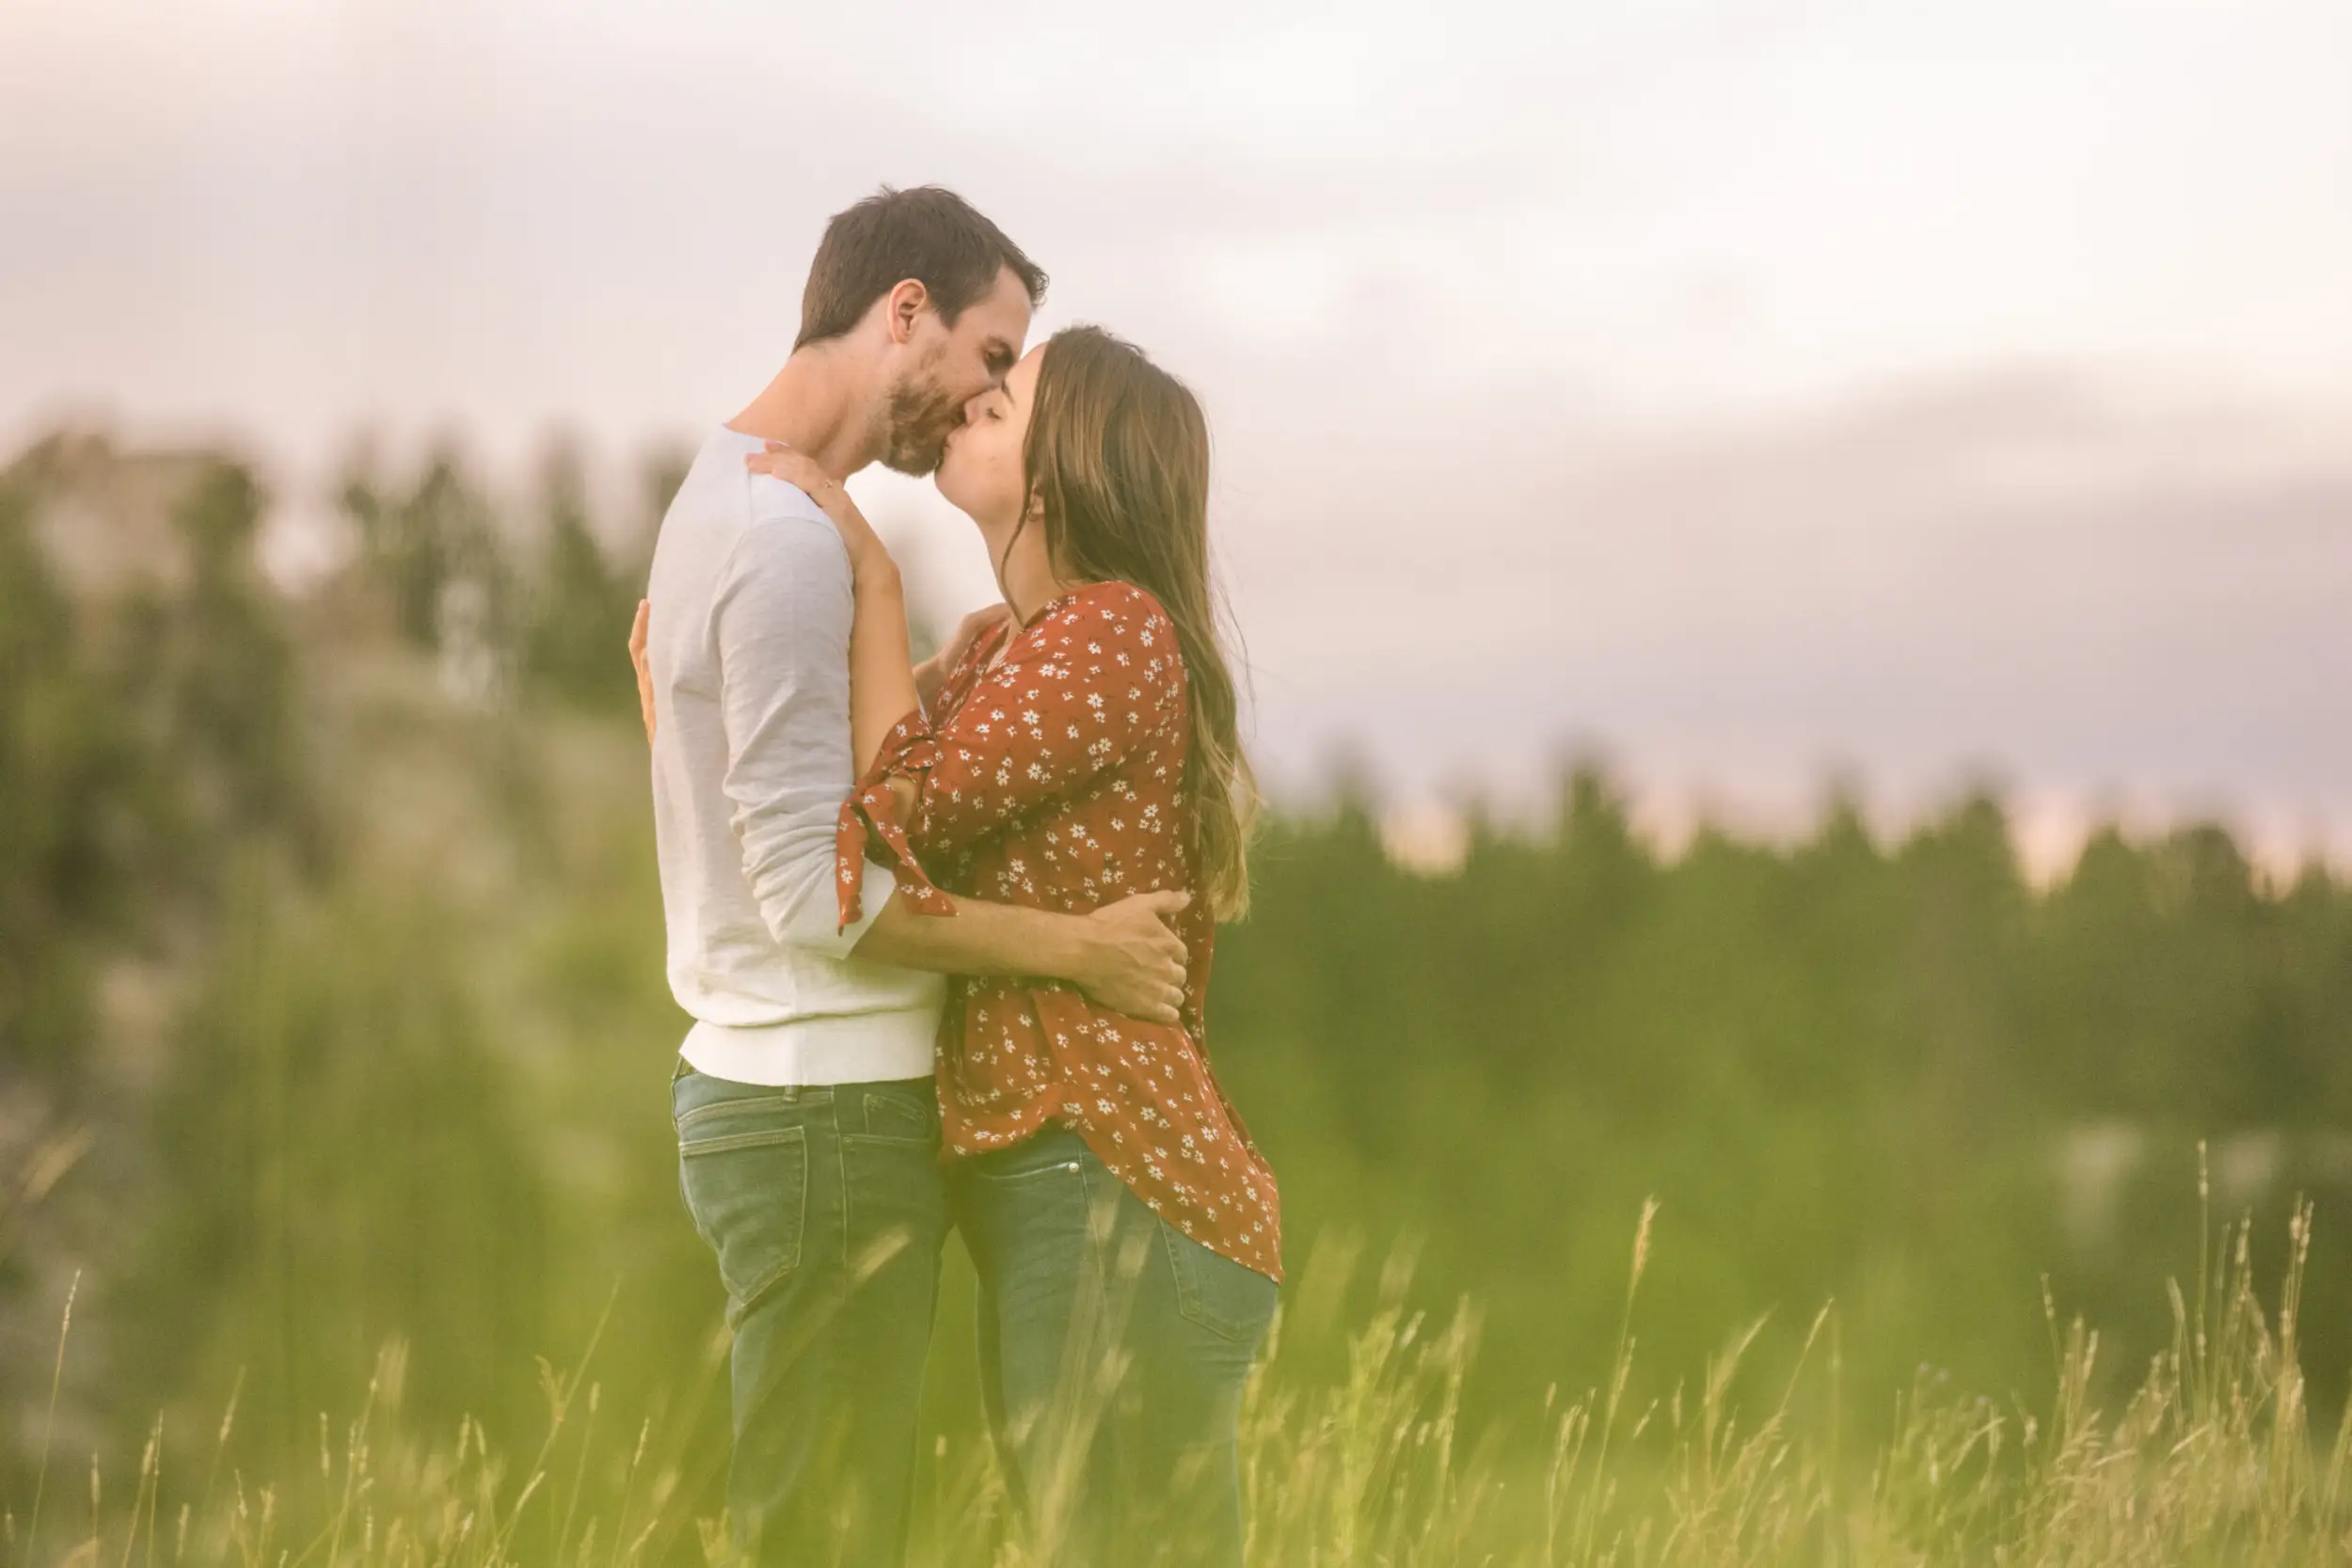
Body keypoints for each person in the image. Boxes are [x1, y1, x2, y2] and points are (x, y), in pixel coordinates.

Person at [632, 186, 1195, 1568]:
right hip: (820, 1106)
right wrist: (1071, 950)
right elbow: (820, 896)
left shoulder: (734, 503)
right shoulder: (782, 538)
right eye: (995, 357)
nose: (988, 397)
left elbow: (762, 794)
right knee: (822, 1536)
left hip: (797, 1097)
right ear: (905, 315)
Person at [743, 324, 1281, 1567]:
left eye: (1013, 394)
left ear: (1077, 459)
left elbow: (895, 808)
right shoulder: (1002, 644)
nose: (981, 396)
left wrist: (871, 575)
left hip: (1112, 1181)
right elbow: (835, 760)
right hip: (1060, 1189)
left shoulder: (1113, 632)